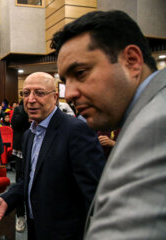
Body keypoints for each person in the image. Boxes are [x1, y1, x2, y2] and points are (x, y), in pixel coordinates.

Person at [51, 10, 165, 239]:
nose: (70, 94)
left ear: (131, 61)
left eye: (80, 73)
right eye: (65, 81)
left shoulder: (156, 125)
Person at [0, 72, 105, 240]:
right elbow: (29, 180)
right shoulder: (29, 134)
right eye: (26, 93)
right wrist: (7, 199)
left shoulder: (76, 130)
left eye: (39, 93)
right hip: (36, 227)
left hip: (67, 232)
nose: (31, 99)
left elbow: (94, 191)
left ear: (55, 97)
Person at [10, 99, 30, 232]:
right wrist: (26, 111)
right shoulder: (19, 109)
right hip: (21, 151)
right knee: (20, 182)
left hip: (38, 150)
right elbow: (16, 123)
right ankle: (20, 215)